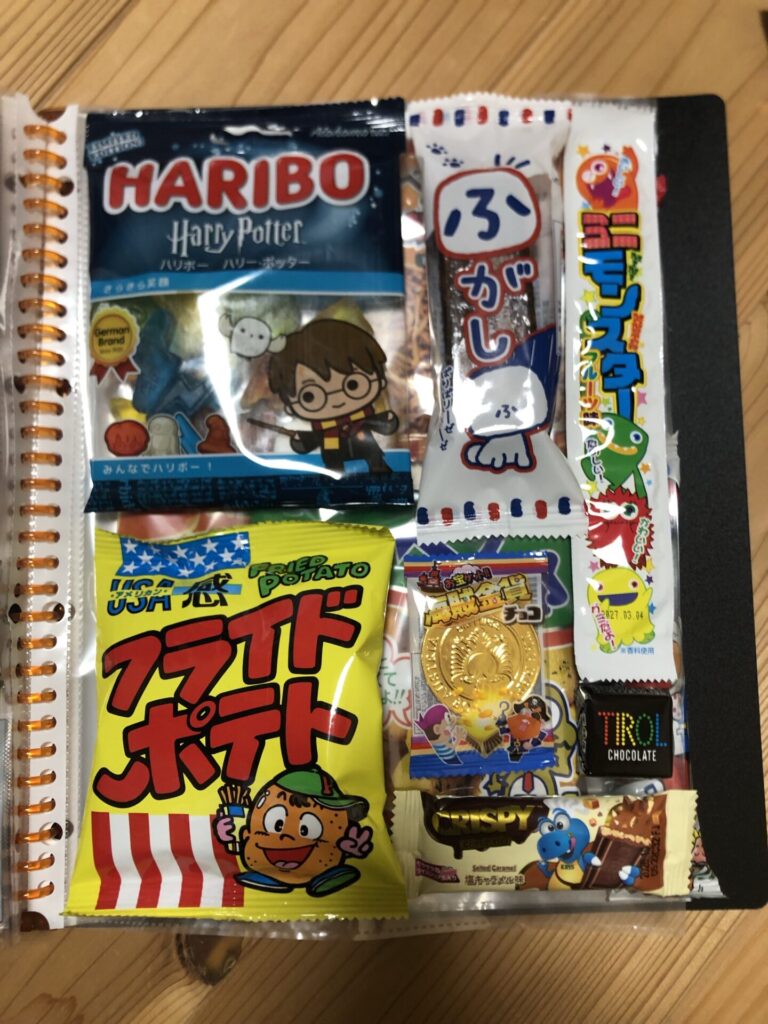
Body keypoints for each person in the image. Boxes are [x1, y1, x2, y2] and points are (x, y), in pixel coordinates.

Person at [268, 318, 398, 473]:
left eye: (353, 384)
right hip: (332, 447)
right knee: (333, 462)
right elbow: (314, 438)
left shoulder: (363, 417)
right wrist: (303, 441)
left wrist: (386, 422)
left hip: (362, 440)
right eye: (309, 396)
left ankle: (377, 466)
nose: (337, 401)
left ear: (380, 381)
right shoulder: (323, 426)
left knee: (371, 454)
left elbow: (376, 422)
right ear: (289, 407)